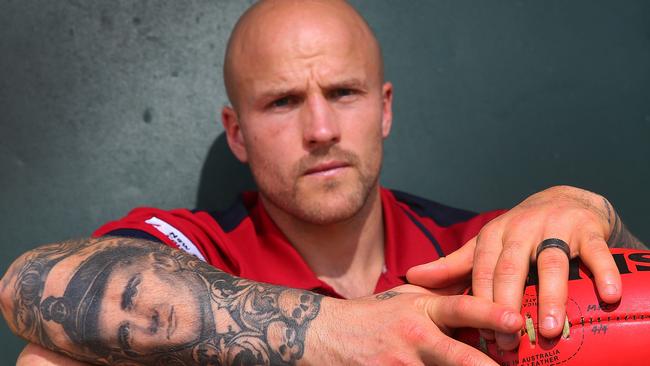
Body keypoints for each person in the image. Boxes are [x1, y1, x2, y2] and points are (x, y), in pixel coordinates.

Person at [0, 0, 645, 365]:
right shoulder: (202, 246)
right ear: (237, 133)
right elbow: (31, 284)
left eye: (344, 92)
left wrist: (594, 213)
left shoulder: (474, 246)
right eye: (282, 102)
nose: (320, 128)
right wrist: (335, 335)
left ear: (384, 109)